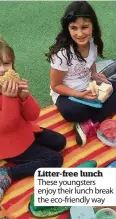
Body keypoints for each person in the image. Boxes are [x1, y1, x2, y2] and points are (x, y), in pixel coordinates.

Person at [0, 35, 66, 202]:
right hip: (8, 145)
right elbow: (7, 126)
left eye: (6, 63)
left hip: (25, 133)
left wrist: (25, 97)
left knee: (60, 142)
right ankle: (7, 173)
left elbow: (33, 115)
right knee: (55, 159)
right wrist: (10, 98)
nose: (3, 69)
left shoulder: (9, 83)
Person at [46, 1, 116, 146]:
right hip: (68, 96)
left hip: (88, 87)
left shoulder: (93, 43)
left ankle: (87, 123)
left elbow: (91, 63)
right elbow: (56, 85)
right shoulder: (62, 54)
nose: (79, 33)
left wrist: (95, 75)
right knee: (72, 112)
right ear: (68, 28)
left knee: (109, 88)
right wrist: (79, 94)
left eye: (84, 27)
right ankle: (89, 121)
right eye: (74, 28)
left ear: (93, 26)